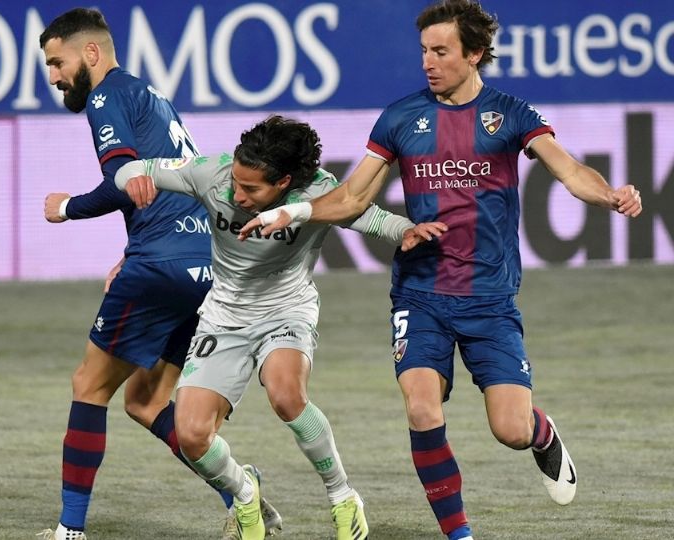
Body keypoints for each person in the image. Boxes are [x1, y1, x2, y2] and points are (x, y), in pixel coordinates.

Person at [238, 2, 643, 539]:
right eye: (424, 51)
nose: (428, 62)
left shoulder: (510, 114)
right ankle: (460, 534)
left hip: (490, 299)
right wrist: (293, 211)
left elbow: (569, 171)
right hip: (420, 292)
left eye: (441, 51)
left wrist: (611, 195)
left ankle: (540, 433)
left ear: (473, 54)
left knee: (510, 430)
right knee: (422, 409)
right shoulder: (402, 117)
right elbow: (354, 197)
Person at [116, 115, 446, 540]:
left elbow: (369, 216)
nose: (237, 194)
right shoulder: (210, 172)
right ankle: (244, 490)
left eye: (251, 189)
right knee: (192, 434)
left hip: (286, 310)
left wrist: (406, 230)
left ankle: (343, 496)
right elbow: (134, 168)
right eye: (236, 182)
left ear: (285, 183)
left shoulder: (319, 191)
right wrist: (133, 179)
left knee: (287, 395)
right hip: (224, 316)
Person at [36, 8, 281, 539]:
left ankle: (70, 531)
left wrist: (67, 207)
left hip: (162, 265)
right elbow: (173, 184)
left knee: (88, 386)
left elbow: (125, 179)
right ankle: (241, 489)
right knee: (145, 402)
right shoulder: (153, 98)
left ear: (91, 53)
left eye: (58, 62)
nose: (53, 76)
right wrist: (136, 246)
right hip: (206, 265)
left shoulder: (105, 97)